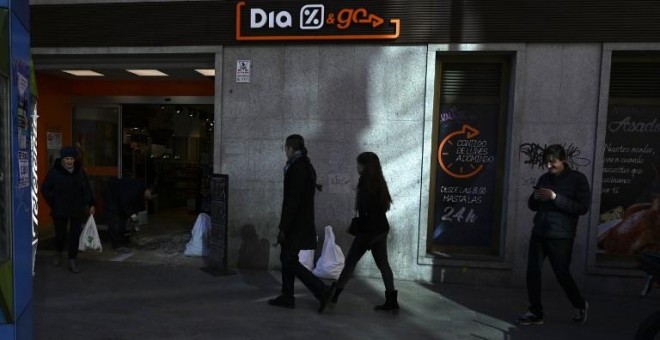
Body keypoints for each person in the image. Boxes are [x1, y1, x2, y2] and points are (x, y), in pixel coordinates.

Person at [518, 144, 591, 325]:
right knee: (532, 272)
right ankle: (535, 312)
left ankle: (579, 304)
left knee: (561, 273)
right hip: (540, 232)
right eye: (547, 163)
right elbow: (532, 206)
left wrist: (555, 198)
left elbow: (582, 208)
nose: (549, 167)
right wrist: (535, 198)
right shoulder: (545, 178)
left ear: (563, 160)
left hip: (561, 236)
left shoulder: (578, 179)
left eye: (553, 163)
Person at [268, 134, 334, 313]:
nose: (285, 152)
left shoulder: (297, 167)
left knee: (289, 259)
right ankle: (287, 296)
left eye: (285, 149)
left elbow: (293, 200)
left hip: (296, 223)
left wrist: (283, 227)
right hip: (299, 222)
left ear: (290, 148)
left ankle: (322, 290)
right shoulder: (305, 164)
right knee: (287, 258)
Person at [331, 152, 399, 311]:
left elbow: (366, 210)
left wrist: (361, 231)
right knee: (383, 265)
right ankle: (392, 300)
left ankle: (333, 295)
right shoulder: (379, 181)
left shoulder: (365, 183)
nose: (357, 167)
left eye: (359, 164)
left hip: (368, 231)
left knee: (350, 263)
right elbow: (383, 207)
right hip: (381, 229)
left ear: (365, 166)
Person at [41, 146, 95, 273]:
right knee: (60, 234)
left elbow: (86, 189)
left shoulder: (80, 172)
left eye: (71, 159)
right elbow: (45, 189)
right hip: (60, 209)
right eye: (67, 159)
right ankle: (58, 253)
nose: (69, 161)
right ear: (62, 160)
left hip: (77, 208)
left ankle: (72, 259)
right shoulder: (55, 172)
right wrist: (53, 202)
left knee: (74, 234)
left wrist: (91, 204)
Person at [104, 177, 153, 253]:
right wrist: (131, 214)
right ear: (148, 191)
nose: (149, 198)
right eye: (150, 196)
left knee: (123, 219)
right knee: (115, 219)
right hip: (113, 194)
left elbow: (133, 204)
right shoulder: (137, 189)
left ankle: (123, 240)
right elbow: (125, 201)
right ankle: (117, 244)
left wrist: (133, 214)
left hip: (120, 196)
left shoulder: (140, 192)